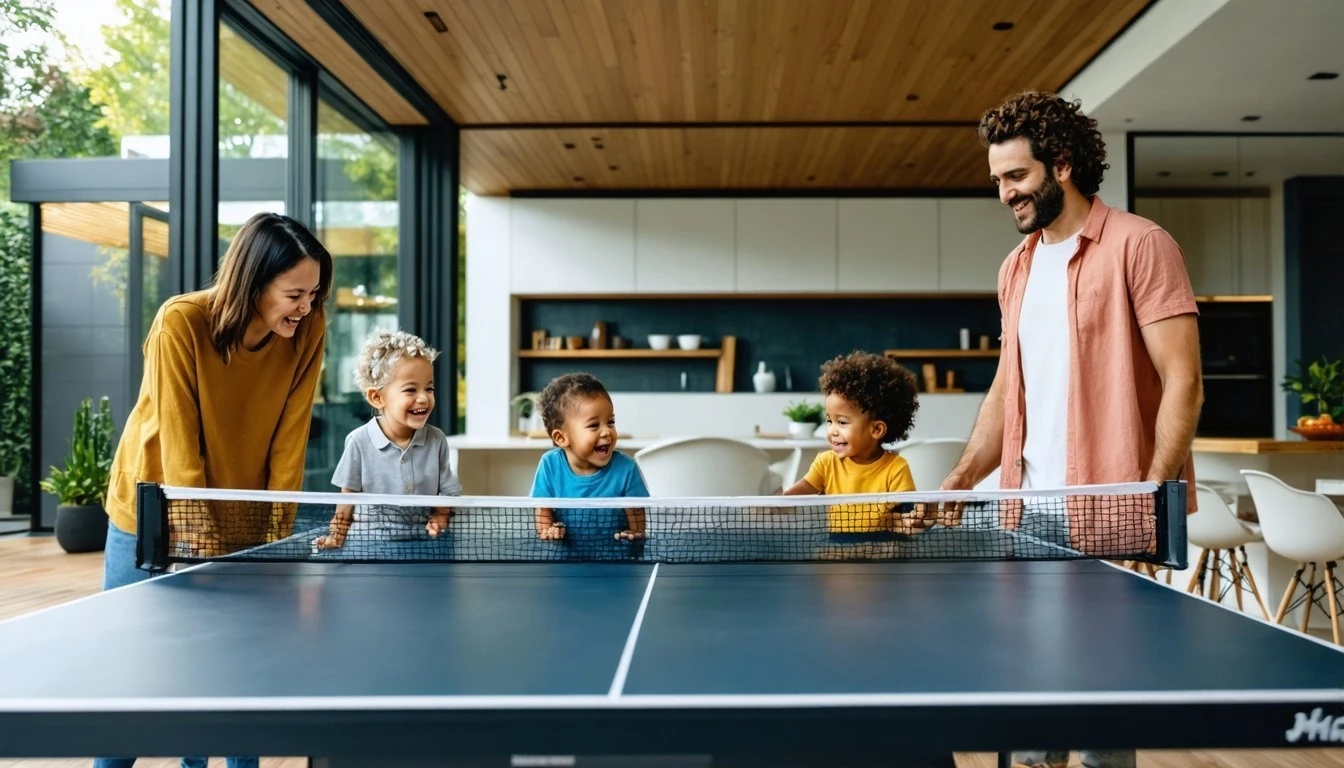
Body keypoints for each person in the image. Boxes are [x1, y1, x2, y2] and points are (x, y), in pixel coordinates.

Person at [938, 91, 1203, 768]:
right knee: (1030, 711)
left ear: (1061, 166)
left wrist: (1150, 495)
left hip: (1111, 508)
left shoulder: (1141, 246)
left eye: (1015, 177)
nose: (1003, 194)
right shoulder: (1017, 268)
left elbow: (1184, 381)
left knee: (1101, 718)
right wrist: (968, 473)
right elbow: (1009, 385)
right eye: (997, 180)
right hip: (1025, 510)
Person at [97, 212, 333, 768]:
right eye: (294, 293)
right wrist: (198, 545)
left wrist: (274, 537)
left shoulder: (307, 330)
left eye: (315, 293)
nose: (305, 307)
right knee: (131, 675)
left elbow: (289, 441)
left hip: (241, 513)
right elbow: (181, 447)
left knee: (234, 679)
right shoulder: (181, 322)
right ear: (253, 283)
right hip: (151, 511)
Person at [314, 330, 461, 550]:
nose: (424, 397)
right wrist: (336, 537)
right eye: (410, 389)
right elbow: (347, 499)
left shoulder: (437, 440)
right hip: (367, 547)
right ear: (377, 397)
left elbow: (448, 494)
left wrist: (440, 517)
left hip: (421, 547)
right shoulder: (358, 441)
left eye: (429, 388)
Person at [783, 351, 924, 534]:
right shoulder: (826, 463)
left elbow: (908, 514)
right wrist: (778, 502)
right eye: (829, 421)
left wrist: (915, 520)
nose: (832, 430)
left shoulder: (896, 468)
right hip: (839, 548)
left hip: (884, 550)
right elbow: (796, 494)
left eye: (841, 422)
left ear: (876, 430)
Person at [530, 372, 647, 543]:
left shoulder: (627, 469)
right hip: (565, 565)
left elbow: (637, 525)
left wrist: (634, 534)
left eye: (610, 422)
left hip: (618, 562)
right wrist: (548, 530)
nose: (607, 431)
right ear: (561, 438)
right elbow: (543, 512)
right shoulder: (549, 466)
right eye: (594, 425)